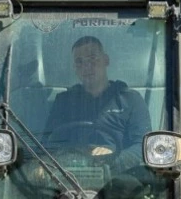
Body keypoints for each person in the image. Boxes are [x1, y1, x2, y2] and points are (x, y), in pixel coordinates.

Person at [47, 36, 152, 172]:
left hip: (119, 177)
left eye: (92, 58)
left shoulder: (130, 99)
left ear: (106, 60)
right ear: (75, 68)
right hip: (70, 174)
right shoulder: (64, 102)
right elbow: (49, 143)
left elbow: (143, 146)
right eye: (79, 62)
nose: (86, 66)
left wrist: (112, 159)